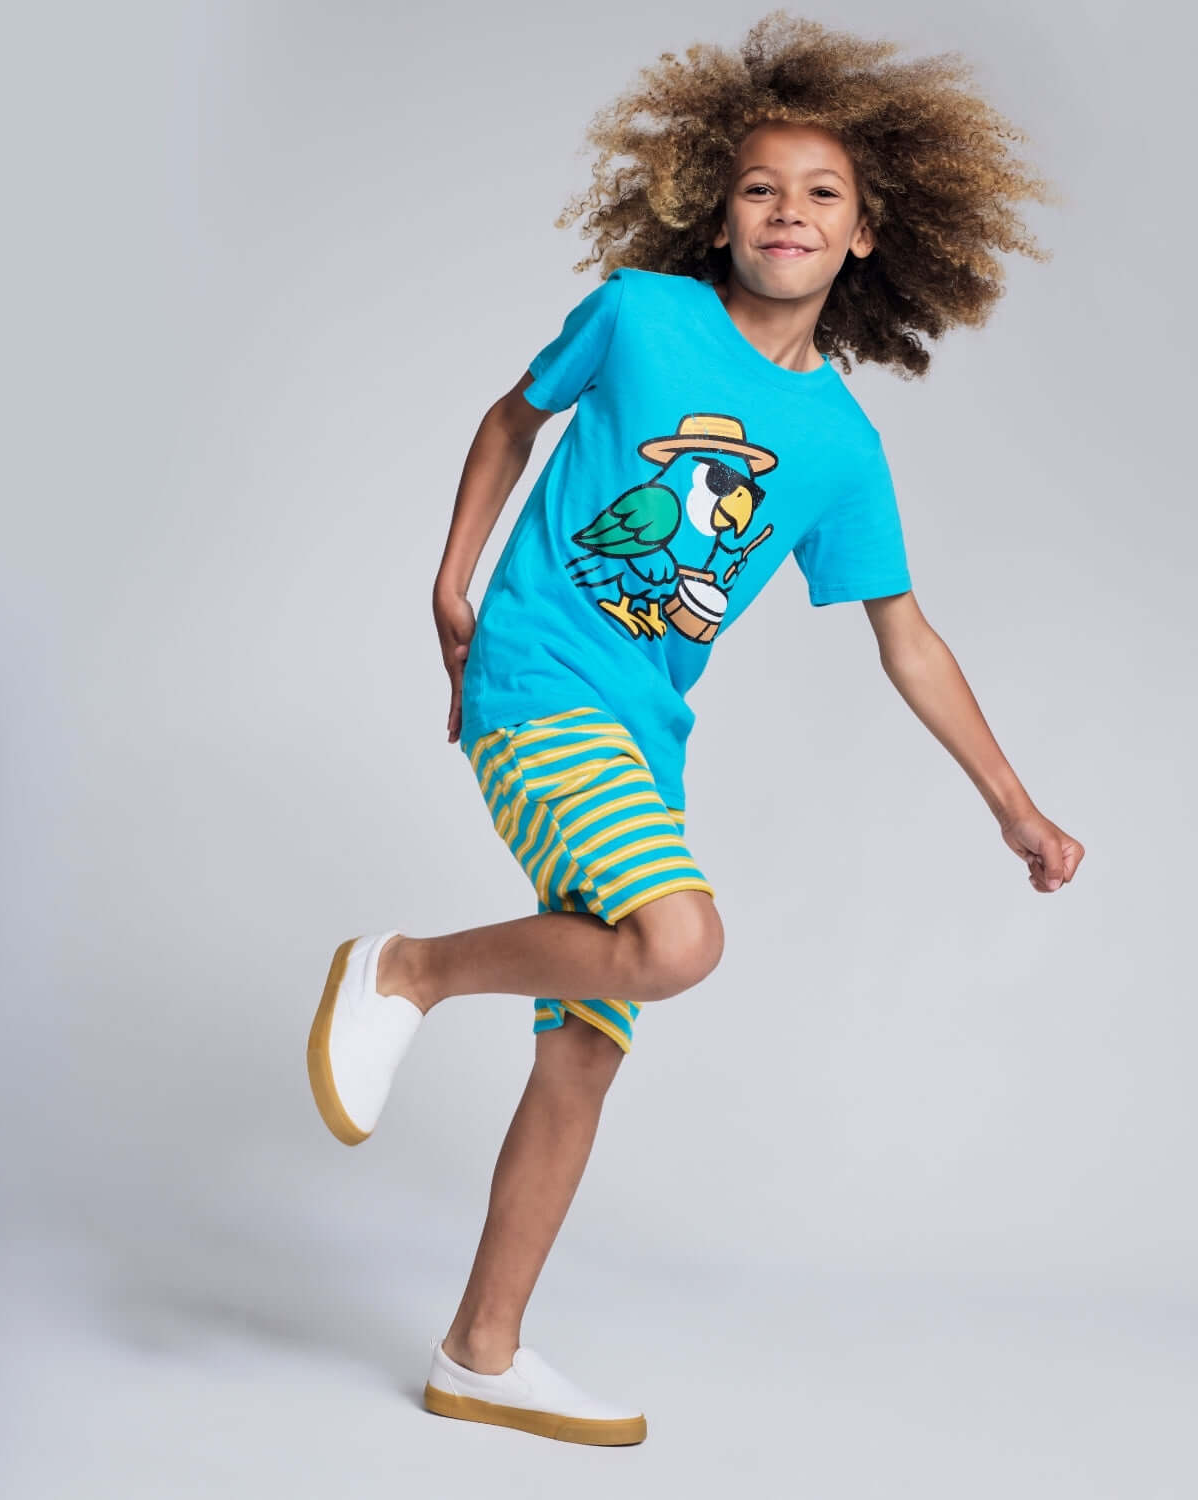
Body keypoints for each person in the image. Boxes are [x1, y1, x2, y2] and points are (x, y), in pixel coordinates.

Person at [306, 14, 1086, 1447]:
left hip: (645, 738)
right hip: (538, 682)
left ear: (866, 235)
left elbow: (906, 636)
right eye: (758, 188)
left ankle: (482, 1352)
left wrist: (1013, 806)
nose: (788, 210)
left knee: (587, 1049)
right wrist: (452, 580)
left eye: (822, 194)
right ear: (716, 214)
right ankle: (406, 969)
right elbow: (510, 422)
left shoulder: (840, 446)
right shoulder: (641, 315)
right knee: (678, 941)